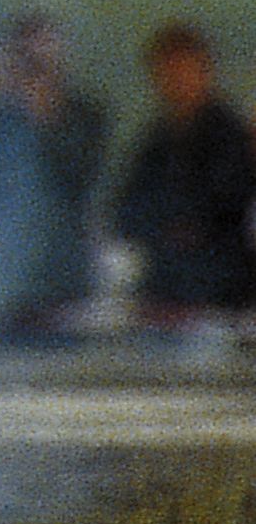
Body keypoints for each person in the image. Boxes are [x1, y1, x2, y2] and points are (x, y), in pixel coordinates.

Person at [0, 12, 111, 341]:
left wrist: (46, 116)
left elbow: (81, 177)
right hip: (3, 281)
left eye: (43, 60)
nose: (34, 70)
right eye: (26, 58)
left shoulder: (85, 116)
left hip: (62, 277)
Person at [103, 21, 256, 324]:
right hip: (165, 286)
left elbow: (223, 207)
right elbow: (124, 213)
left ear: (204, 70)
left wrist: (180, 226)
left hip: (221, 290)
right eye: (167, 71)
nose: (176, 80)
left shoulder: (228, 134)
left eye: (184, 69)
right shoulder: (156, 140)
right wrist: (162, 227)